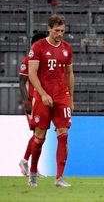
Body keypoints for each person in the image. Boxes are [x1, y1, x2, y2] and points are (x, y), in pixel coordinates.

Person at [28, 14, 74, 187]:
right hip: (42, 97)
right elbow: (32, 73)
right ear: (49, 29)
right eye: (56, 31)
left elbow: (70, 73)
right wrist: (43, 93)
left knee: (63, 135)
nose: (60, 34)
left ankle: (59, 177)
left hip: (62, 96)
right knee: (39, 138)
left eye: (62, 31)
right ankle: (33, 172)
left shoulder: (67, 48)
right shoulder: (38, 46)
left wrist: (71, 98)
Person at [18, 33, 47, 178]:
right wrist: (27, 102)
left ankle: (30, 164)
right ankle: (25, 161)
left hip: (42, 101)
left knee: (41, 135)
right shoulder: (28, 60)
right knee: (38, 134)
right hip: (32, 102)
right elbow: (22, 82)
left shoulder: (45, 60)